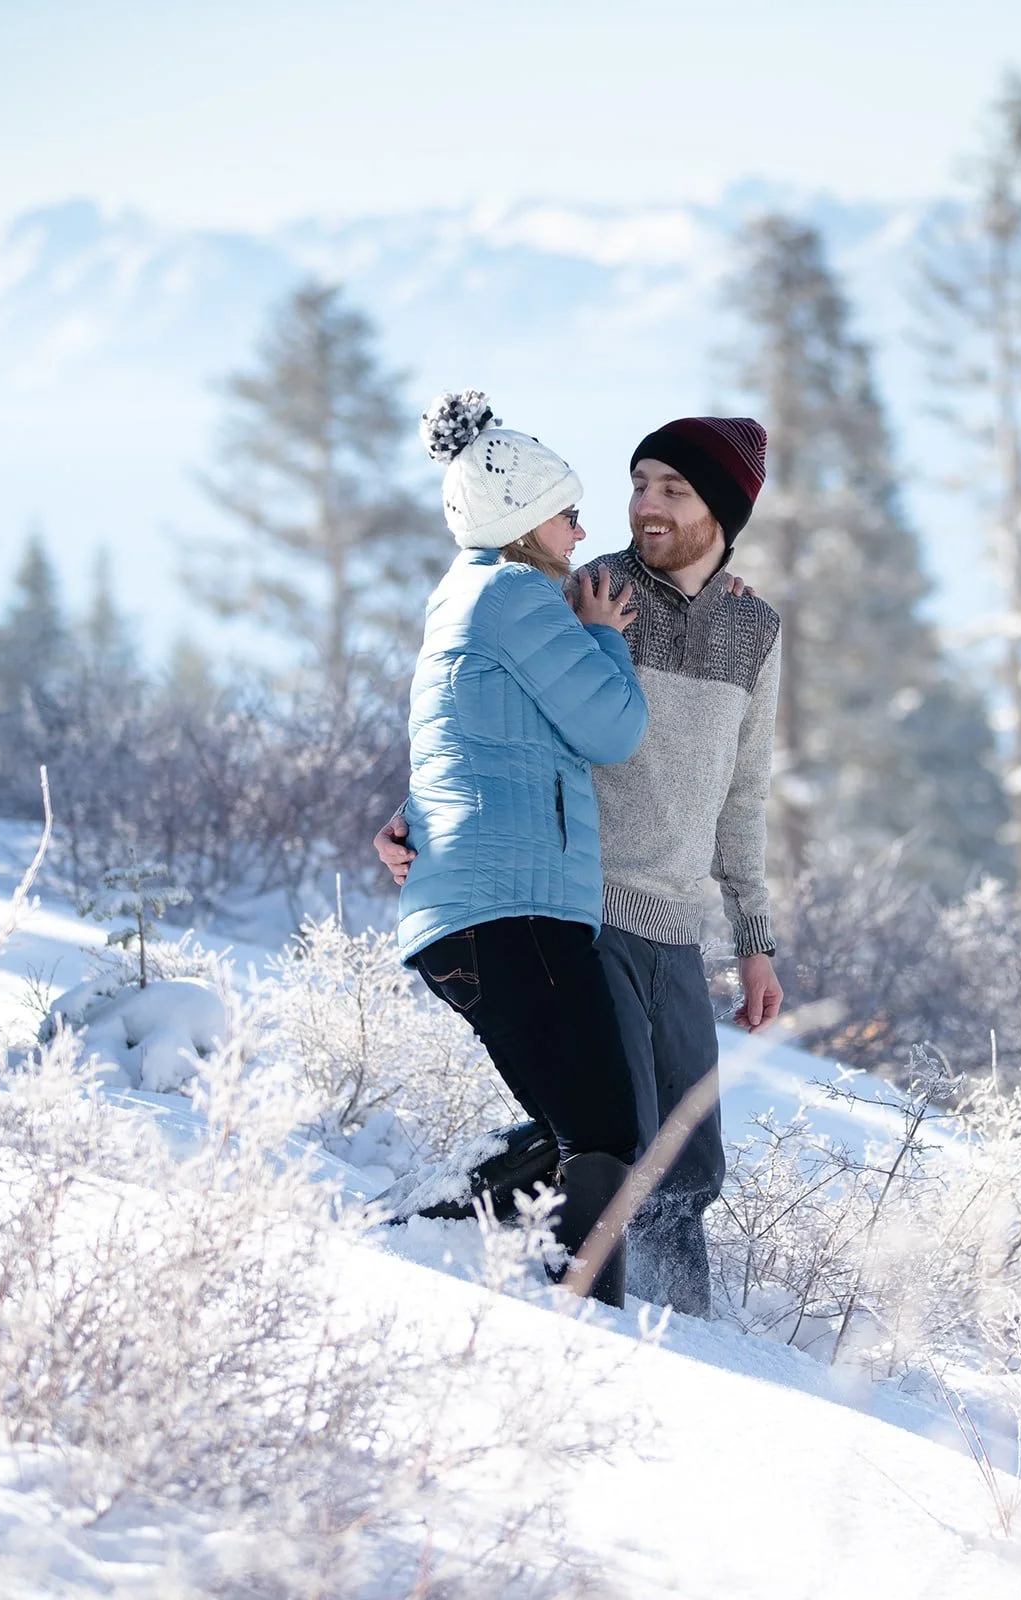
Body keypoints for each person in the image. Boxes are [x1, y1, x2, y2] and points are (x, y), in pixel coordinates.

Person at [381, 390, 649, 1307]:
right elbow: (612, 727)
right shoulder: (513, 597)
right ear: (524, 519)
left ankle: (436, 1235)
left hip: (485, 907)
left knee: (589, 1123)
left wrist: (409, 817)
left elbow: (470, 742)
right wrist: (604, 639)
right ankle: (561, 1308)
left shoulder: (466, 599)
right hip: (511, 908)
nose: (582, 534)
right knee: (604, 1129)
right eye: (568, 514)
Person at [581, 416, 783, 1317]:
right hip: (581, 908)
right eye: (640, 483)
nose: (646, 504)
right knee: (610, 1137)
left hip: (677, 932)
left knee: (690, 1166)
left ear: (723, 511)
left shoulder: (754, 628)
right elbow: (498, 722)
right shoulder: (593, 593)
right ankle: (585, 1321)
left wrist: (753, 939)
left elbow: (745, 795)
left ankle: (685, 1344)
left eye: (674, 489)